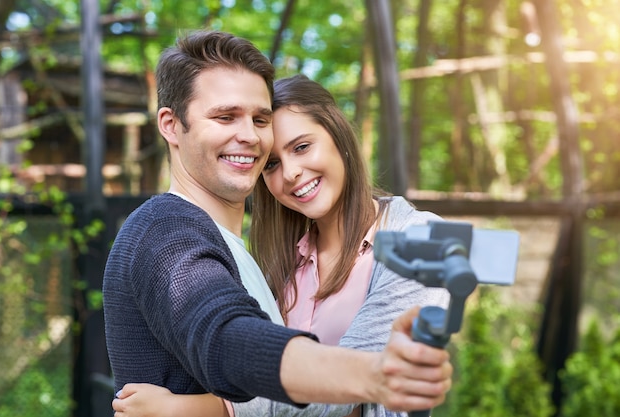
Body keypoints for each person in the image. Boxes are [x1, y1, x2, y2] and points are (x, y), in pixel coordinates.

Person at [110, 71, 451, 417]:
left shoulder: (421, 238)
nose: (290, 173)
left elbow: (361, 380)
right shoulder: (283, 262)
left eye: (302, 147)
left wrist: (193, 410)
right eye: (272, 163)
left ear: (339, 138)